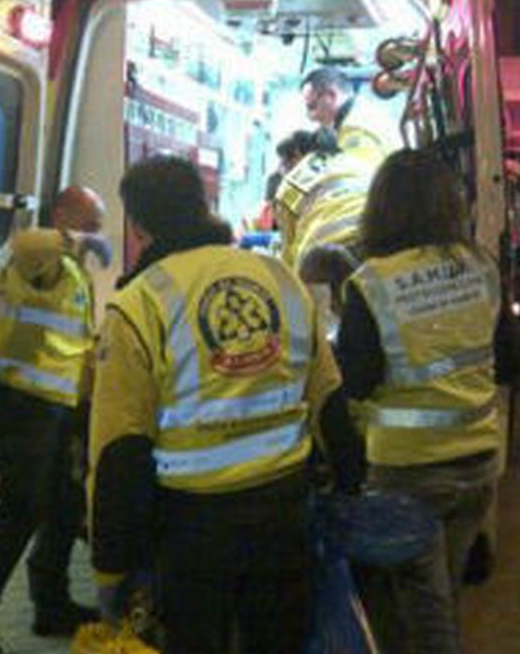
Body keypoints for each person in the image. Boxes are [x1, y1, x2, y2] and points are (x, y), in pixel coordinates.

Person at [88, 154, 361, 654]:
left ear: (139, 224)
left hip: (192, 531)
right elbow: (328, 399)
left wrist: (112, 567)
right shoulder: (279, 278)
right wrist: (348, 486)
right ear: (204, 205)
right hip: (284, 515)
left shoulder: (139, 304)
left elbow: (118, 450)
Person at [335, 148, 506, 654]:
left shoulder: (373, 282)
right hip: (478, 464)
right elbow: (511, 358)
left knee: (419, 619)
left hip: (409, 471)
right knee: (441, 598)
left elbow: (358, 382)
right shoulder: (480, 267)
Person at [0, 186, 109, 642]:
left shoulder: (70, 270)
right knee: (20, 508)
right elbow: (25, 242)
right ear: (62, 215)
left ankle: (51, 605)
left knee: (64, 504)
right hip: (22, 399)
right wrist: (78, 240)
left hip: (56, 403)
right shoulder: (37, 255)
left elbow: (76, 341)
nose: (96, 234)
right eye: (89, 223)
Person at [275, 68, 387, 270]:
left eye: (312, 106)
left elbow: (288, 256)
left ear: (331, 95)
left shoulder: (359, 133)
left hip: (328, 255)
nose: (310, 117)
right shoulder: (363, 123)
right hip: (377, 243)